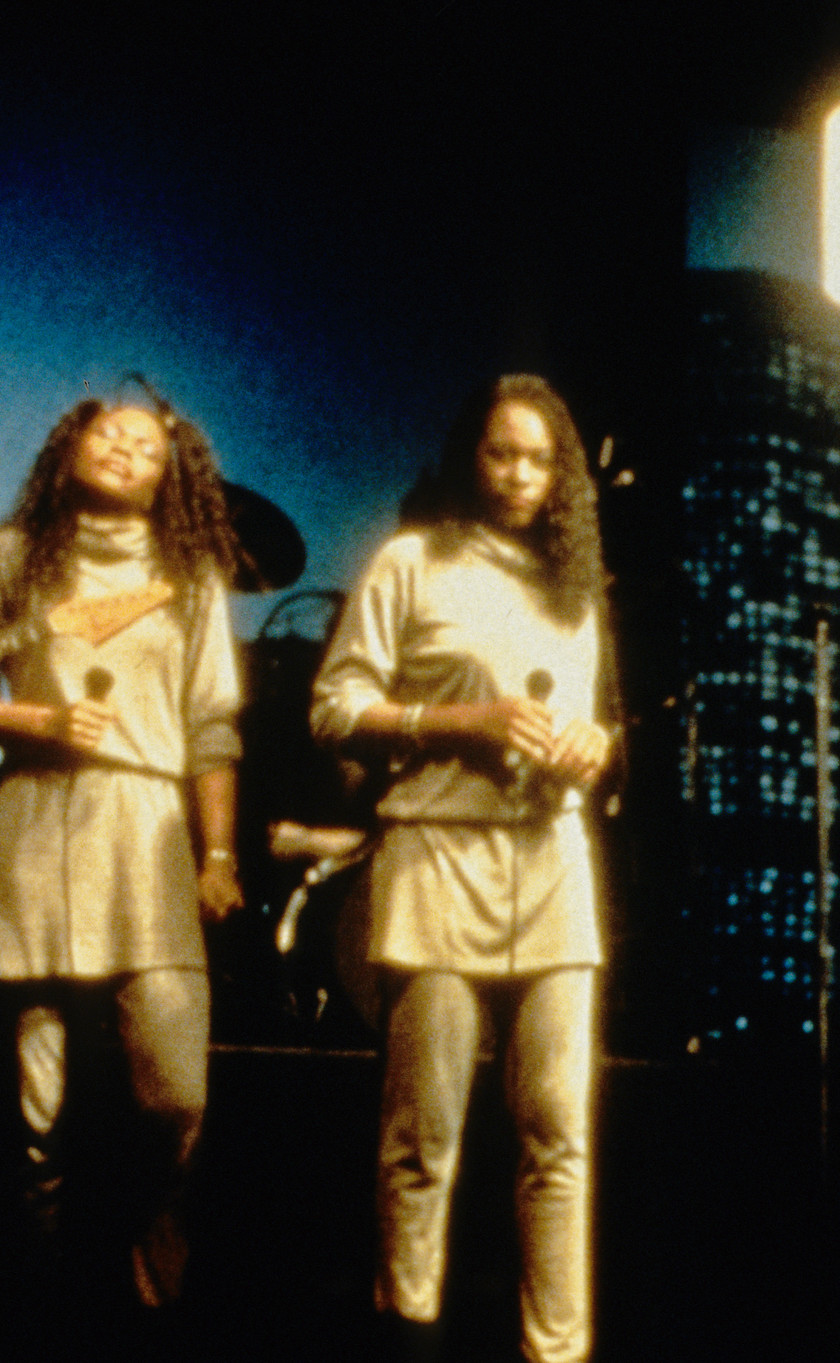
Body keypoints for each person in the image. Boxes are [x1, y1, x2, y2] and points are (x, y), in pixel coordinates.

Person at [311, 374, 617, 1363]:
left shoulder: (574, 581)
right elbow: (332, 706)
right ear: (469, 457)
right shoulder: (413, 560)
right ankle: (407, 1337)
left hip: (551, 860)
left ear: (560, 469)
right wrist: (461, 719)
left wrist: (594, 748)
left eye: (537, 457)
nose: (518, 473)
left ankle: (556, 1350)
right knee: (421, 1138)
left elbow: (596, 723)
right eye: (500, 452)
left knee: (559, 1135)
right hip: (437, 854)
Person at [0, 385, 246, 1315]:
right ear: (68, 448)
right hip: (34, 822)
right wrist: (33, 716)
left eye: (147, 445)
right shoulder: (16, 555)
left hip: (149, 834)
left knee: (175, 1096)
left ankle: (150, 1271)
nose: (121, 447)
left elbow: (214, 726)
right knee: (37, 1118)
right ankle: (45, 1290)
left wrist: (218, 853)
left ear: (172, 478)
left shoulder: (191, 576)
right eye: (105, 431)